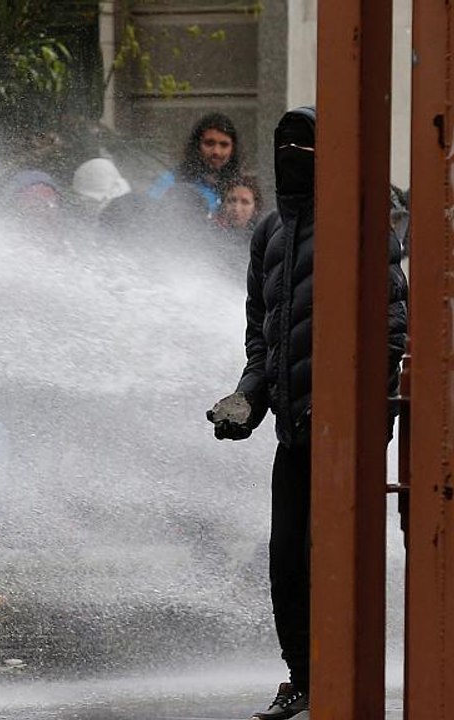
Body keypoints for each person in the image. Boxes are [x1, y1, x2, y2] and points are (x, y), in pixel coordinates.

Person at [206, 107, 408, 720]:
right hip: (293, 428)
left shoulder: (363, 223)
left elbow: (393, 328)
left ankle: (347, 676)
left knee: (337, 555)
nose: (293, 153)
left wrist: (368, 418)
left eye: (307, 145)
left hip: (347, 429)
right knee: (285, 557)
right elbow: (261, 334)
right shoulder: (268, 231)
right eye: (284, 143)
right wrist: (248, 397)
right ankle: (303, 676)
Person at [148, 112, 243, 219]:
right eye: (209, 143)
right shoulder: (173, 180)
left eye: (224, 145)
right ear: (196, 146)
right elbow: (151, 217)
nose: (216, 151)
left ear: (233, 149)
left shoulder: (240, 186)